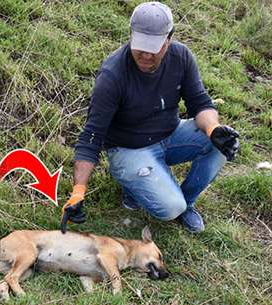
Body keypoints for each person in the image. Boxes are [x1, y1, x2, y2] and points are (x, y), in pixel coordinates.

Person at [60, 2, 239, 234]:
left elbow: (200, 104)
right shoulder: (113, 75)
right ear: (131, 35)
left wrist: (213, 129)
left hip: (171, 134)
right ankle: (139, 186)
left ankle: (187, 202)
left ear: (169, 40)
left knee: (219, 144)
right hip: (128, 149)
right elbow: (91, 138)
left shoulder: (181, 57)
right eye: (140, 46)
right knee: (170, 207)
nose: (145, 55)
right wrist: (78, 192)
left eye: (153, 48)